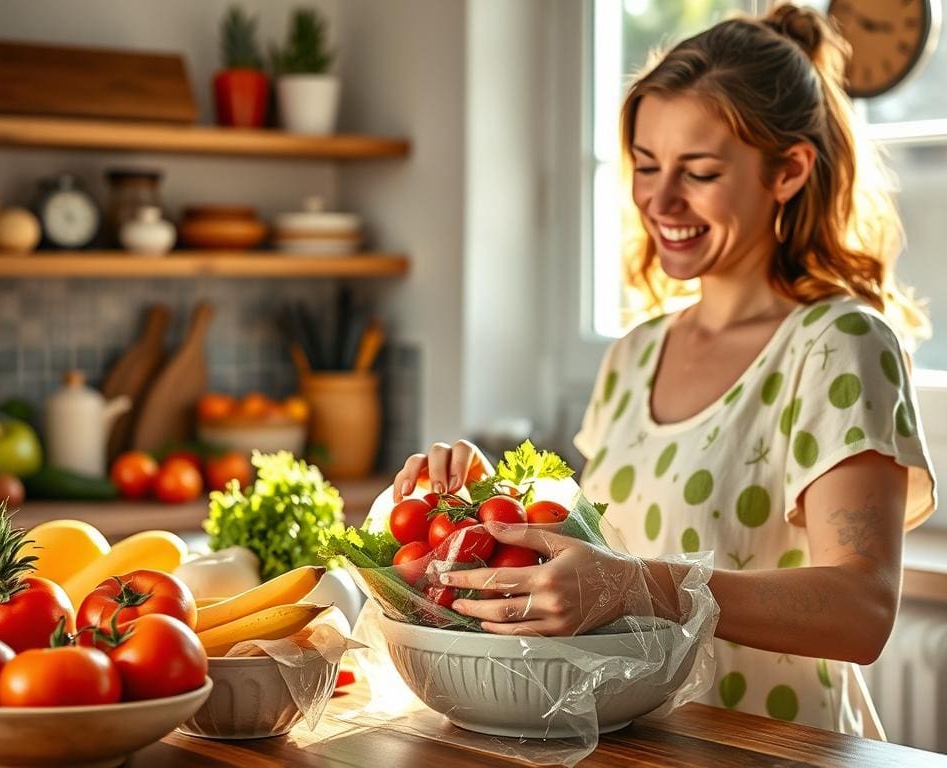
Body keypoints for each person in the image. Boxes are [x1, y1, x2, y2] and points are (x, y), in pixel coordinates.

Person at [391, 3, 936, 736]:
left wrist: (634, 586)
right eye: (646, 166)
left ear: (789, 171)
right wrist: (483, 505)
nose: (660, 200)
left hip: (778, 750)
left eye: (700, 171)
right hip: (641, 747)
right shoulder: (633, 356)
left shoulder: (839, 344)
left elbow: (861, 609)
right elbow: (590, 563)